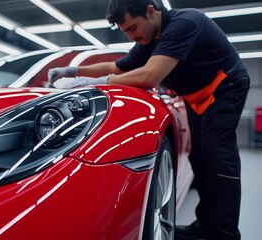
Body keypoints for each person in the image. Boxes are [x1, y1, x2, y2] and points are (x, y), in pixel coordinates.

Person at [48, 0, 250, 239]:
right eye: (126, 32)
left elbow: (150, 76)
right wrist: (73, 71)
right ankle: (205, 225)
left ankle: (224, 233)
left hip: (225, 86)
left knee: (216, 153)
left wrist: (97, 83)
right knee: (199, 156)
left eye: (133, 28)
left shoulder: (184, 23)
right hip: (196, 97)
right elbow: (116, 66)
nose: (131, 36)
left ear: (151, 12)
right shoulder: (149, 41)